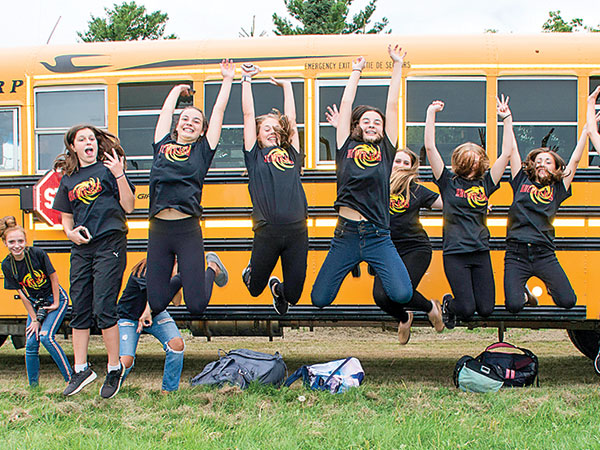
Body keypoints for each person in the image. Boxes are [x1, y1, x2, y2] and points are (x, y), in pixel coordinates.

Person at [325, 106, 444, 343]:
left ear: (412, 167)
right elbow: (354, 166)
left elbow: (448, 205)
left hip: (414, 248)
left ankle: (430, 308)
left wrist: (476, 206)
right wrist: (345, 128)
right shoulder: (375, 185)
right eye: (396, 159)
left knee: (400, 292)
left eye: (405, 161)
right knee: (380, 296)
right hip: (385, 246)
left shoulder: (417, 189)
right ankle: (404, 318)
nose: (399, 164)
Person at [311, 45, 413, 311]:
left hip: (378, 234)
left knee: (402, 294)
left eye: (377, 122)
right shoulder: (345, 145)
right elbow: (346, 105)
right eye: (366, 121)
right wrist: (356, 71)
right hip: (346, 234)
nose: (371, 124)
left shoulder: (386, 150)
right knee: (319, 299)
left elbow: (392, 104)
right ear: (357, 126)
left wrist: (397, 65)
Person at [146, 60, 234, 319]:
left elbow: (218, 112)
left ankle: (211, 268)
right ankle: (189, 270)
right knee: (158, 301)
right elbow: (164, 116)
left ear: (202, 130)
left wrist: (227, 79)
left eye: (196, 121)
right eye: (185, 119)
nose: (189, 123)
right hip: (159, 230)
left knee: (196, 305)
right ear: (177, 125)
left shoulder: (202, 151)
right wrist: (176, 92)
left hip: (187, 230)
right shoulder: (161, 145)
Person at [52, 125, 135, 398]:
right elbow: (66, 218)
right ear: (74, 147)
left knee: (104, 307)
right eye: (82, 139)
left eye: (92, 138)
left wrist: (119, 174)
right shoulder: (68, 178)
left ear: (97, 144)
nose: (88, 142)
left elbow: (129, 206)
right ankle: (81, 369)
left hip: (109, 243)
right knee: (80, 309)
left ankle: (114, 369)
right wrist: (70, 233)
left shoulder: (109, 170)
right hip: (81, 248)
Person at [505, 88, 599, 318]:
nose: (542, 163)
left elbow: (575, 159)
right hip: (516, 252)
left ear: (556, 167)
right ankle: (524, 292)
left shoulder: (558, 188)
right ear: (533, 165)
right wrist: (507, 118)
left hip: (544, 252)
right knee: (514, 306)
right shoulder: (520, 181)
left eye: (548, 161)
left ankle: (549, 283)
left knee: (567, 300)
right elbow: (513, 150)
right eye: (538, 160)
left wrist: (586, 132)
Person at [424, 95, 514, 328]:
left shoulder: (487, 182)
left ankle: (458, 304)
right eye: (467, 159)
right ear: (459, 161)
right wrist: (431, 114)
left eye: (476, 160)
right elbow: (430, 147)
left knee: (486, 310)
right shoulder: (447, 182)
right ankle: (448, 304)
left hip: (480, 251)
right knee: (465, 310)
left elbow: (505, 154)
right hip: (455, 253)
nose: (473, 164)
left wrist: (506, 119)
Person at [240, 63, 308, 315]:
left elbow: (291, 121)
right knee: (255, 289)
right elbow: (248, 116)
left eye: (275, 129)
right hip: (267, 231)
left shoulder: (291, 153)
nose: (272, 131)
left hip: (296, 231)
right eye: (266, 128)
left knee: (295, 295)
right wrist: (246, 80)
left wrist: (288, 87)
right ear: (258, 135)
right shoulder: (255, 156)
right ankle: (252, 270)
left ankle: (278, 291)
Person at [0, 216, 73, 387]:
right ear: (5, 244)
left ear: (25, 241)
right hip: (35, 303)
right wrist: (34, 319)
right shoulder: (6, 265)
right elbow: (22, 294)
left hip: (55, 298)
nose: (16, 245)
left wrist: (55, 303)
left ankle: (72, 378)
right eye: (11, 242)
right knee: (31, 342)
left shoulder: (37, 254)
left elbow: (54, 278)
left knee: (46, 336)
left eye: (20, 241)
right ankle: (34, 386)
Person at [118, 258, 184, 393]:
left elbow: (177, 302)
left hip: (155, 314)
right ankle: (113, 388)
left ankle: (169, 392)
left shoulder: (174, 271)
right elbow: (154, 297)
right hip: (129, 317)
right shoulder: (146, 269)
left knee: (177, 345)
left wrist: (174, 277)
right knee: (127, 360)